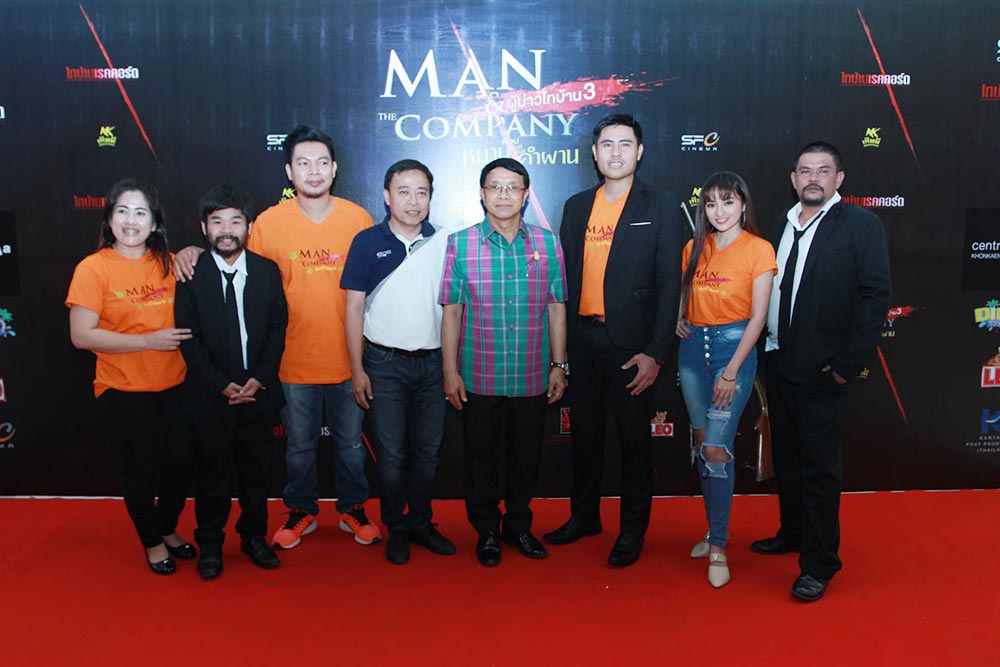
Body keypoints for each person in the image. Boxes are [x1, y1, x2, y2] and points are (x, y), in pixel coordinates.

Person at [174, 125, 380, 550]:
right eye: (303, 163)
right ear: (289, 171)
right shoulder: (268, 223)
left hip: (349, 359)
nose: (313, 171)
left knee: (350, 446)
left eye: (321, 162)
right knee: (299, 448)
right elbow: (231, 257)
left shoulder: (357, 218)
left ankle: (353, 509)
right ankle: (301, 509)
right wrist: (191, 251)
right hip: (290, 361)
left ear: (335, 169)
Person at [751, 142, 890, 602]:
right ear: (793, 179)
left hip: (823, 370)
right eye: (806, 171)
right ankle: (792, 533)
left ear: (839, 179)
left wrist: (848, 364)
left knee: (819, 470)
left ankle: (819, 564)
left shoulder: (860, 225)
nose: (814, 178)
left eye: (823, 171)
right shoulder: (782, 222)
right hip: (777, 360)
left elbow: (875, 297)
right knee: (788, 459)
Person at [546, 113, 682, 567]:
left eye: (625, 144)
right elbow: (563, 282)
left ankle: (632, 531)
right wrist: (561, 353)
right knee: (584, 438)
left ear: (639, 152)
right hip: (583, 341)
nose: (616, 152)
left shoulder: (661, 204)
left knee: (633, 443)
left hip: (632, 347)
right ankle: (584, 517)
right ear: (594, 152)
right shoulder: (576, 206)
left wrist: (656, 353)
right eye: (607, 144)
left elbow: (670, 284)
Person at [439, 158, 568, 567]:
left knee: (526, 457)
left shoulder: (548, 243)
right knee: (480, 458)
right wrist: (449, 371)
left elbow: (557, 307)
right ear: (482, 194)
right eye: (495, 187)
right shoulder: (460, 244)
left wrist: (559, 365)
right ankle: (487, 531)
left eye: (513, 187)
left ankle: (518, 526)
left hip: (532, 373)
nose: (504, 195)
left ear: (526, 195)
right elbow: (452, 312)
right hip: (479, 373)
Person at [66, 178, 195, 575]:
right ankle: (152, 542)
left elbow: (205, 264)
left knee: (179, 465)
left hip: (175, 385)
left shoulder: (169, 263)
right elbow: (81, 335)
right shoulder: (93, 268)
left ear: (154, 223)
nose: (131, 221)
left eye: (141, 213)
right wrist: (147, 341)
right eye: (122, 211)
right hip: (123, 389)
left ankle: (166, 526)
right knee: (140, 469)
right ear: (109, 218)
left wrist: (193, 251)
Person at [341, 160, 456, 565]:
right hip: (383, 364)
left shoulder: (445, 241)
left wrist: (450, 368)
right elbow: (353, 309)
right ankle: (397, 527)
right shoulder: (366, 242)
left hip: (433, 366)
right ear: (386, 197)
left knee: (427, 453)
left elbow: (455, 309)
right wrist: (357, 369)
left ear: (430, 198)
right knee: (390, 457)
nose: (413, 201)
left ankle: (421, 522)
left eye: (421, 192)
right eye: (403, 191)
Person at [174, 185, 288, 579]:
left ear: (249, 226)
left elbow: (277, 329)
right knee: (212, 477)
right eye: (217, 221)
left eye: (235, 221)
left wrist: (259, 378)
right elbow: (189, 339)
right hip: (210, 397)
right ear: (203, 227)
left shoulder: (267, 271)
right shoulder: (190, 275)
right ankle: (210, 544)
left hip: (259, 393)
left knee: (257, 475)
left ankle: (254, 538)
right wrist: (220, 385)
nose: (226, 229)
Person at [676, 172, 776, 588]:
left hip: (734, 350)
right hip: (691, 352)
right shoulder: (694, 246)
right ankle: (711, 529)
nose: (719, 211)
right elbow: (687, 291)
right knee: (702, 444)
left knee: (717, 449)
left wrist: (732, 370)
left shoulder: (759, 248)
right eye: (711, 204)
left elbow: (759, 317)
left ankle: (718, 545)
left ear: (743, 205)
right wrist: (680, 317)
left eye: (728, 202)